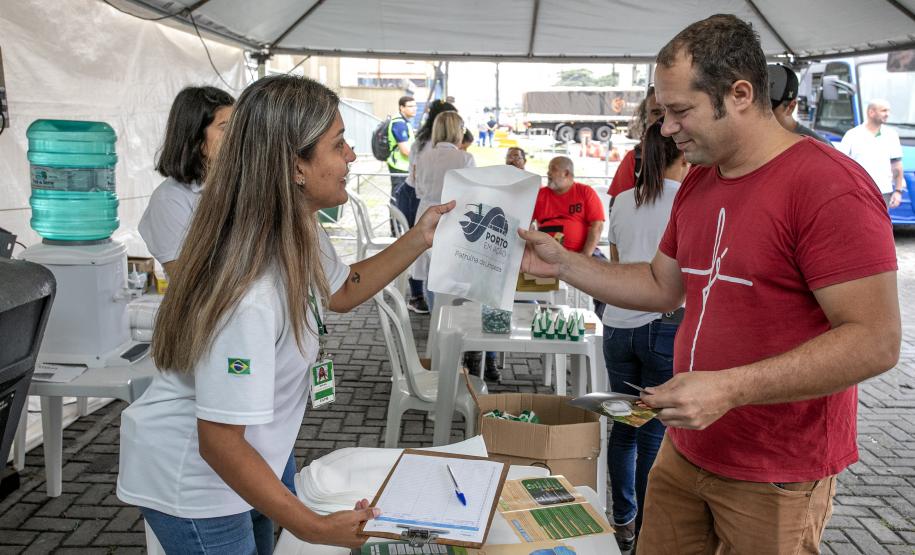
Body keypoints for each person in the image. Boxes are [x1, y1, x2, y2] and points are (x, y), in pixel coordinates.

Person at [518, 14, 899, 554]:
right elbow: (660, 285)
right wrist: (567, 265)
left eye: (679, 111)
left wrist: (728, 388)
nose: (665, 128)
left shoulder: (827, 185)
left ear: (740, 94)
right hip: (687, 448)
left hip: (776, 471)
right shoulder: (701, 177)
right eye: (662, 111)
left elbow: (875, 340)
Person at [117, 75, 455, 553]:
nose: (353, 157)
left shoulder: (298, 228)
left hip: (253, 458)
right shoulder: (251, 293)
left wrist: (420, 237)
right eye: (339, 145)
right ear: (295, 165)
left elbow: (342, 290)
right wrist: (313, 527)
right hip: (197, 482)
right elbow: (218, 442)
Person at [601, 120, 688, 551]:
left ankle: (622, 520)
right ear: (682, 153)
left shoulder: (620, 200)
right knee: (654, 430)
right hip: (664, 325)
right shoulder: (688, 201)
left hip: (616, 325)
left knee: (625, 426)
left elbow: (619, 269)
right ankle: (647, 528)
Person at [138, 86, 234, 280]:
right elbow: (187, 281)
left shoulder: (234, 186)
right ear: (196, 137)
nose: (236, 136)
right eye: (225, 128)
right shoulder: (169, 199)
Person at [532, 156, 607, 317]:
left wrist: (584, 257)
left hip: (583, 252)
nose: (548, 172)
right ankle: (537, 317)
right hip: (545, 254)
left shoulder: (584, 192)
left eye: (552, 168)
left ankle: (604, 323)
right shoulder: (540, 195)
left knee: (609, 283)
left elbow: (597, 226)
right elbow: (525, 223)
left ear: (566, 173)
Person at [405, 99, 457, 314]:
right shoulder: (464, 157)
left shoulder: (420, 148)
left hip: (421, 206)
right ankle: (444, 312)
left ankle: (428, 304)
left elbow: (416, 186)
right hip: (450, 213)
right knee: (444, 266)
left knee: (424, 260)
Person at [839, 99, 906, 208]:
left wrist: (898, 191)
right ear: (871, 112)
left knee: (881, 225)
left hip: (883, 193)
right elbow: (840, 164)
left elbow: (897, 166)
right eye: (884, 111)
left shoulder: (891, 135)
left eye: (888, 111)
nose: (887, 114)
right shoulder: (852, 135)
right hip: (858, 192)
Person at [607, 86, 665, 202]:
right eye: (656, 112)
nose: (664, 118)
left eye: (673, 110)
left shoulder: (698, 160)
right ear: (645, 118)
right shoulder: (634, 159)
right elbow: (618, 207)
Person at [767, 64, 830, 144]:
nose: (758, 114)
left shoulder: (819, 147)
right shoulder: (754, 139)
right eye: (754, 106)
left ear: (791, 107)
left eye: (767, 109)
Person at [388, 95, 417, 232]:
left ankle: (399, 229)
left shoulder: (404, 122)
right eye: (410, 106)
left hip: (403, 167)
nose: (414, 108)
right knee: (397, 198)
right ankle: (396, 230)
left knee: (401, 198)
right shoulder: (399, 123)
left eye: (415, 105)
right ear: (402, 107)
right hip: (399, 167)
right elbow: (405, 150)